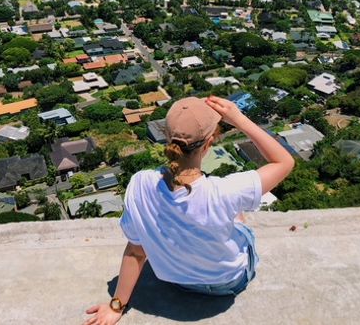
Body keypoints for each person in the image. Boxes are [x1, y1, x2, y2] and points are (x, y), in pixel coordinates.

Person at [85, 96, 295, 325]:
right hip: (228, 282)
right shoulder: (225, 192)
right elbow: (284, 162)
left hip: (177, 280)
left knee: (228, 212)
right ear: (208, 145)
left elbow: (136, 252)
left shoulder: (140, 184)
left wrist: (116, 306)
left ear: (167, 139)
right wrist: (240, 120)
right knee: (238, 217)